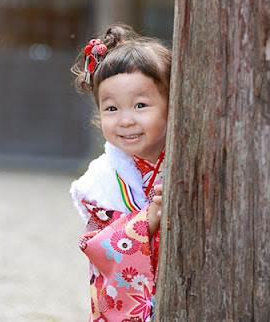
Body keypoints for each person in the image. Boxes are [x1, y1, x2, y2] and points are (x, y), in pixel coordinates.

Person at [70, 24, 171, 322]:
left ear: (171, 104)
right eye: (112, 109)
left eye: (140, 105)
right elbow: (98, 246)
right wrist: (147, 220)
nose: (125, 120)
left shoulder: (189, 160)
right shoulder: (100, 181)